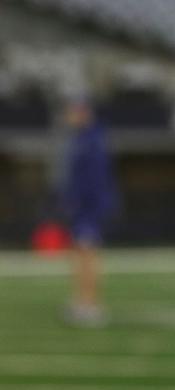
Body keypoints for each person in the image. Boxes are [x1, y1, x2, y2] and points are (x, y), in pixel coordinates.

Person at [60, 98, 117, 327]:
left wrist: (86, 205)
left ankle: (90, 304)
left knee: (87, 255)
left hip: (89, 210)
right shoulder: (83, 138)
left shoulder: (92, 140)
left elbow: (95, 179)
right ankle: (82, 301)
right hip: (83, 209)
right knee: (81, 255)